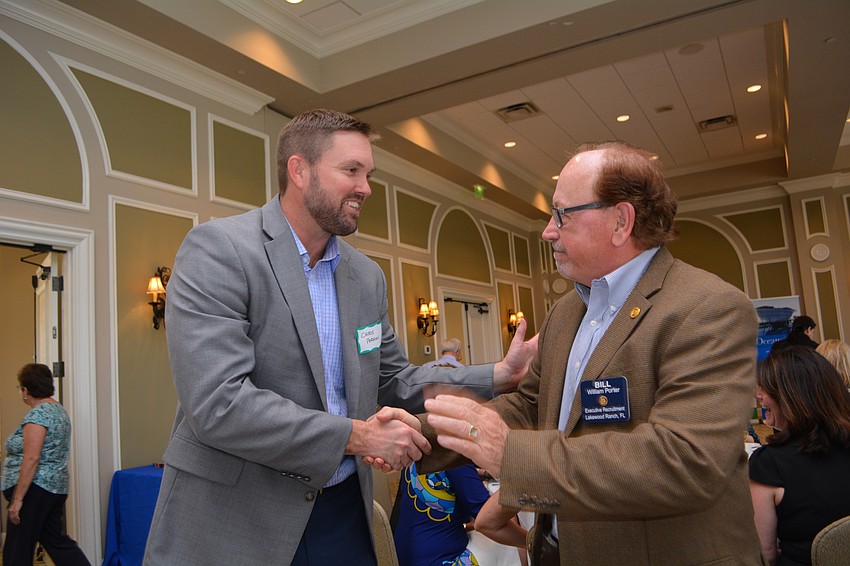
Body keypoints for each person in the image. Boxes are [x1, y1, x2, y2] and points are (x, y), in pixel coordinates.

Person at [142, 109, 535, 566]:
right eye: (351, 170)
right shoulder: (219, 250)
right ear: (299, 170)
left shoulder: (365, 277)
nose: (366, 187)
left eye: (368, 174)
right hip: (236, 517)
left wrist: (499, 375)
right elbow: (220, 404)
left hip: (342, 514)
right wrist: (358, 437)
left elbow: (394, 380)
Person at [421, 141, 764, 564]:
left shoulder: (707, 307)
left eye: (562, 213)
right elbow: (530, 406)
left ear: (621, 221)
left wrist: (513, 456)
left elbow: (685, 460)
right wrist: (418, 435)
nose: (548, 230)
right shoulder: (568, 311)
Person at [749, 346, 850, 565]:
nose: (758, 395)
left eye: (765, 389)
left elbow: (764, 554)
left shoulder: (768, 465)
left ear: (790, 397)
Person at [2, 363, 91, 566]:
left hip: (36, 490)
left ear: (26, 391)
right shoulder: (58, 411)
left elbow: (32, 459)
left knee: (18, 549)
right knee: (57, 542)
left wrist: (17, 500)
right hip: (54, 489)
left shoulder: (38, 415)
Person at [393, 462, 490, 566]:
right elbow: (490, 518)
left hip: (404, 554)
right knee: (497, 546)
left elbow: (446, 475)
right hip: (442, 558)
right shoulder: (455, 456)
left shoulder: (418, 450)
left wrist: (478, 473)